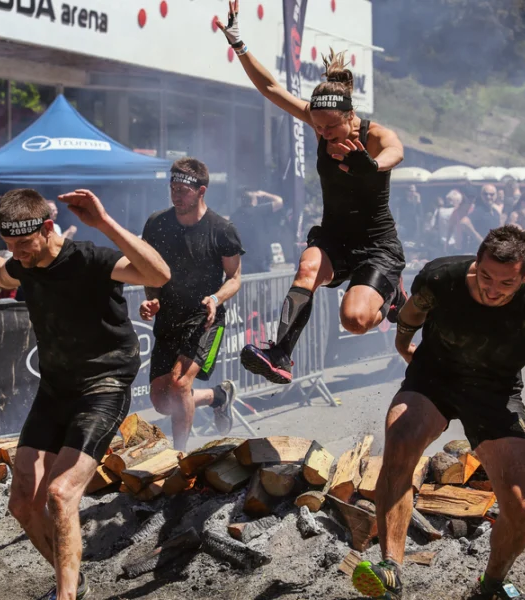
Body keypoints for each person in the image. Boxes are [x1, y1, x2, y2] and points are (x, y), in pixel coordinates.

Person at [0, 188, 170, 600]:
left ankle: (65, 596)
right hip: (55, 390)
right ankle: (73, 580)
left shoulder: (90, 259)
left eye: (23, 244)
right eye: (9, 244)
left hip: (103, 388)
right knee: (22, 504)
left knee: (60, 492)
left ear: (47, 227)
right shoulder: (24, 264)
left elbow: (159, 276)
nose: (16, 254)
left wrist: (104, 222)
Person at [353, 225, 525, 600]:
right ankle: (390, 569)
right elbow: (413, 312)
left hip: (495, 396)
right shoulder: (442, 277)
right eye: (485, 277)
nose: (492, 289)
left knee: (521, 507)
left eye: (506, 284)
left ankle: (492, 584)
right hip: (435, 378)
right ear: (475, 264)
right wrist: (403, 346)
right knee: (399, 440)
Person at [216, 1, 406, 384]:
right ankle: (281, 354)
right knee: (305, 268)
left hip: (376, 245)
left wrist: (373, 165)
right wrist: (239, 45)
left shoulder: (373, 134)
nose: (322, 134)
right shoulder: (320, 120)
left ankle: (394, 298)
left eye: (330, 129)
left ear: (351, 116)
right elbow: (270, 87)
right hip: (334, 238)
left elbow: (395, 151)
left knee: (354, 321)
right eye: (316, 128)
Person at [140, 158, 244, 451]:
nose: (176, 195)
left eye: (182, 190)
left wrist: (215, 298)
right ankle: (217, 397)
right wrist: (152, 300)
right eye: (172, 188)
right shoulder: (156, 223)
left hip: (205, 319)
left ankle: (179, 455)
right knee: (162, 401)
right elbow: (149, 270)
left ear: (201, 191)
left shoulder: (222, 229)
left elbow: (234, 277)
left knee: (179, 384)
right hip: (168, 316)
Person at [230, 188, 284, 274]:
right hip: (261, 258)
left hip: (244, 259)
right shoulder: (259, 210)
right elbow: (279, 201)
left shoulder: (234, 216)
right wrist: (264, 194)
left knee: (246, 285)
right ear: (254, 200)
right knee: (264, 285)